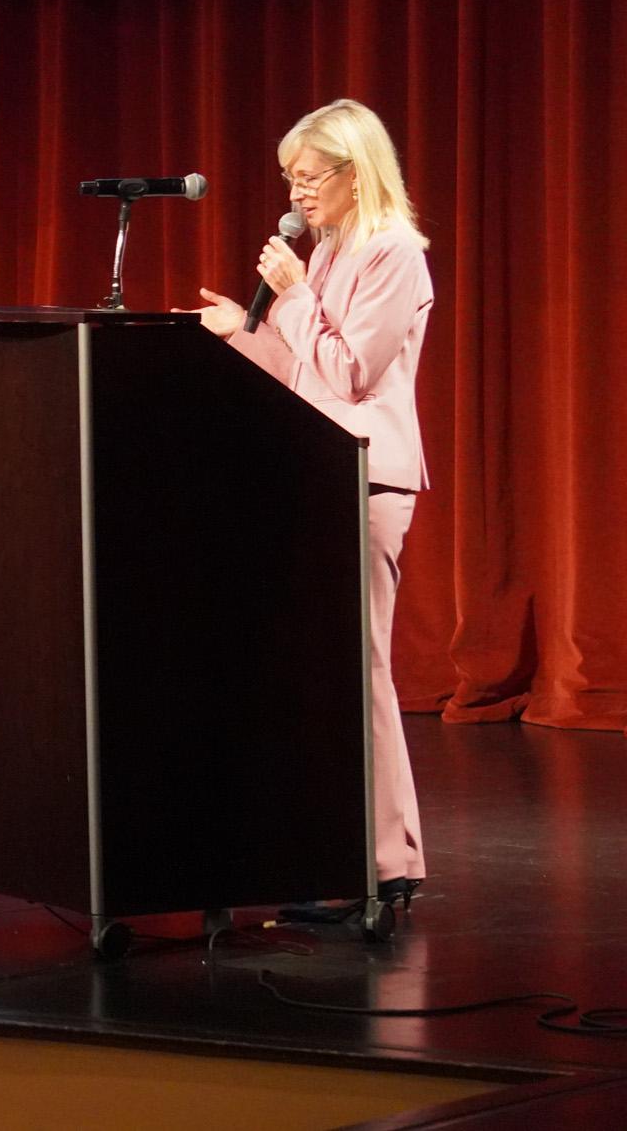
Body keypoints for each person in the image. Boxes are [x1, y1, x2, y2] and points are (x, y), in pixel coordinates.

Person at [184, 99, 433, 903]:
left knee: (360, 669)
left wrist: (290, 297)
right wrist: (242, 328)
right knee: (313, 670)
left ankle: (387, 863)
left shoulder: (394, 253)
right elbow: (303, 369)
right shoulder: (325, 254)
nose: (295, 193)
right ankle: (329, 856)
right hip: (310, 467)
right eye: (288, 178)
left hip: (365, 477)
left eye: (308, 176)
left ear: (355, 175)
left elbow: (351, 371)